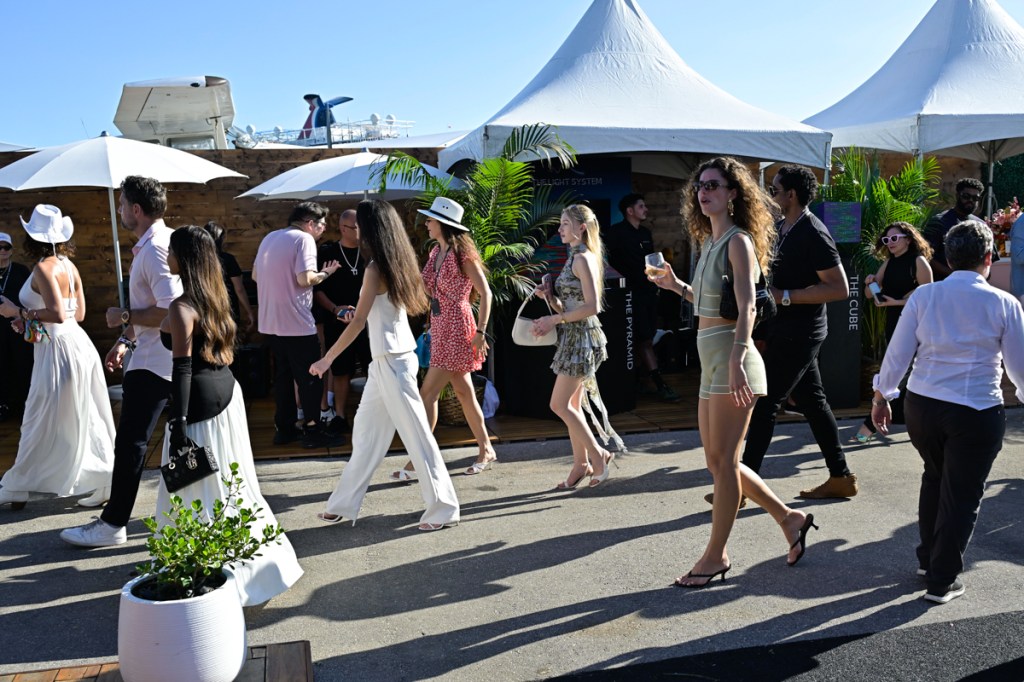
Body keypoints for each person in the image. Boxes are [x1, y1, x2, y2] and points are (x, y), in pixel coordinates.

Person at [650, 157, 818, 587]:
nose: (703, 193)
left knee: (724, 462)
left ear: (733, 193)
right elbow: (711, 307)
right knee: (719, 461)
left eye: (713, 185)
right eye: (699, 187)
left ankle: (716, 555)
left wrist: (739, 358)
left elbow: (747, 307)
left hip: (732, 358)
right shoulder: (710, 242)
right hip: (713, 360)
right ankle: (789, 518)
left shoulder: (739, 241)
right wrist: (675, 287)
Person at [872, 220, 1024, 604]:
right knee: (963, 494)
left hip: (922, 405)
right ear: (989, 258)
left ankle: (928, 560)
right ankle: (942, 579)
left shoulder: (924, 297)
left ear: (947, 258)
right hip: (974, 409)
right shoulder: (1005, 303)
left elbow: (898, 354)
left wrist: (881, 395)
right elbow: (1020, 369)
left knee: (935, 477)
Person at [157, 225, 302, 605]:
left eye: (170, 251)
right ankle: (249, 561)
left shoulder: (182, 307)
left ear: (183, 258)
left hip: (201, 406)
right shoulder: (214, 298)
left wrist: (178, 423)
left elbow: (182, 369)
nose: (166, 257)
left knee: (197, 489)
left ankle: (209, 567)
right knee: (231, 483)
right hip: (228, 395)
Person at [310, 200, 459, 531]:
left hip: (392, 361)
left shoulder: (377, 267)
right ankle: (342, 505)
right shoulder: (392, 262)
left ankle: (444, 507)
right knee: (365, 436)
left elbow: (359, 320)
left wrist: (327, 358)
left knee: (417, 437)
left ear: (370, 229)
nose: (355, 230)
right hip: (387, 361)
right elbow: (369, 314)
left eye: (359, 224)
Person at [62, 176, 183, 547]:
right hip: (157, 357)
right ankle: (179, 517)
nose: (117, 211)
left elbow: (171, 310)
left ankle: (113, 523)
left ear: (135, 209)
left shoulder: (155, 249)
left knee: (132, 442)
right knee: (169, 439)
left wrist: (125, 317)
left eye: (120, 204)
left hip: (157, 363)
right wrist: (125, 341)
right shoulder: (160, 243)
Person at [738, 164, 857, 501]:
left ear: (791, 194)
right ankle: (841, 477)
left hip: (801, 332)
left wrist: (785, 297)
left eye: (774, 189)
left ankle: (742, 488)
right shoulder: (783, 226)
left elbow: (838, 288)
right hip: (783, 328)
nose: (771, 194)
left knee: (765, 404)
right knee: (813, 402)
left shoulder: (813, 232)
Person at [0, 206, 114, 510]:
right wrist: (30, 322)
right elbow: (80, 313)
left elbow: (59, 314)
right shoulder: (69, 266)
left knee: (39, 414)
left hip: (58, 351)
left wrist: (18, 312)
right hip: (77, 344)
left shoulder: (43, 268)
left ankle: (18, 486)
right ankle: (104, 480)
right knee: (85, 413)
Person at [391, 197, 496, 481]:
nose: (426, 223)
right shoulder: (436, 252)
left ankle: (419, 458)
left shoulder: (463, 255)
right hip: (440, 325)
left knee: (427, 394)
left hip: (457, 326)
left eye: (430, 219)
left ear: (444, 224)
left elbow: (485, 293)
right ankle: (486, 449)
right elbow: (422, 289)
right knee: (463, 392)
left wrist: (481, 331)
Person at [532, 204, 624, 489]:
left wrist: (552, 319)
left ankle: (598, 456)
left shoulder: (582, 258)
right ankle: (580, 464)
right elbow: (571, 305)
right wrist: (550, 297)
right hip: (573, 336)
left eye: (564, 224)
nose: (559, 229)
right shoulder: (575, 256)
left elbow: (592, 306)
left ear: (581, 227)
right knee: (572, 404)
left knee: (559, 404)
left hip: (583, 338)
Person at [253, 201, 344, 450]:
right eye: (322, 225)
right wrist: (327, 273)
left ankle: (284, 429)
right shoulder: (304, 240)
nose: (323, 230)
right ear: (310, 223)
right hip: (297, 323)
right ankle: (313, 429)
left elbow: (254, 276)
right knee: (311, 377)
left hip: (270, 322)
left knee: (282, 378)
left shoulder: (270, 237)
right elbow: (305, 279)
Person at [851, 222, 933, 443]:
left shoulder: (919, 261)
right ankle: (913, 419)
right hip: (893, 321)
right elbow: (869, 295)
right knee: (906, 369)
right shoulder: (887, 263)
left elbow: (927, 296)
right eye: (886, 240)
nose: (890, 243)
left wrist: (897, 302)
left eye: (894, 239)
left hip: (914, 322)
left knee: (902, 369)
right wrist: (870, 283)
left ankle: (869, 425)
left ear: (908, 238)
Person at [605, 193, 680, 402]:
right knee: (644, 339)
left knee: (645, 336)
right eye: (641, 206)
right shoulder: (615, 233)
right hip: (629, 295)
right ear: (630, 211)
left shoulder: (646, 232)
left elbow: (651, 264)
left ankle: (639, 382)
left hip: (649, 293)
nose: (646, 209)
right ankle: (660, 385)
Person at [313, 209, 371, 433]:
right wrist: (335, 309)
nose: (359, 232)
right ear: (342, 228)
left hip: (367, 322)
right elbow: (318, 290)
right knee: (340, 370)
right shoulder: (328, 252)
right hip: (337, 322)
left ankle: (370, 415)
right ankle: (339, 415)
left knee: (371, 368)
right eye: (355, 228)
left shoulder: (368, 253)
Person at [0, 230, 34, 421]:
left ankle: (24, 405)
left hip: (18, 324)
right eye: (0, 247)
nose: (3, 251)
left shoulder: (21, 271)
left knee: (22, 363)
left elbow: (31, 298)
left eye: (7, 247)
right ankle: (4, 404)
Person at [924, 178, 985, 281]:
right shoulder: (939, 222)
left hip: (973, 285)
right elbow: (926, 255)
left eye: (975, 198)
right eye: (966, 196)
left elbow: (988, 257)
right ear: (957, 195)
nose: (970, 200)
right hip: (943, 285)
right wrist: (954, 275)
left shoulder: (981, 225)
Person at [202, 221, 255, 337]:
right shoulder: (228, 259)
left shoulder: (198, 260)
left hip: (205, 309)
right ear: (222, 238)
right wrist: (249, 312)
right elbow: (239, 289)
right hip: (228, 308)